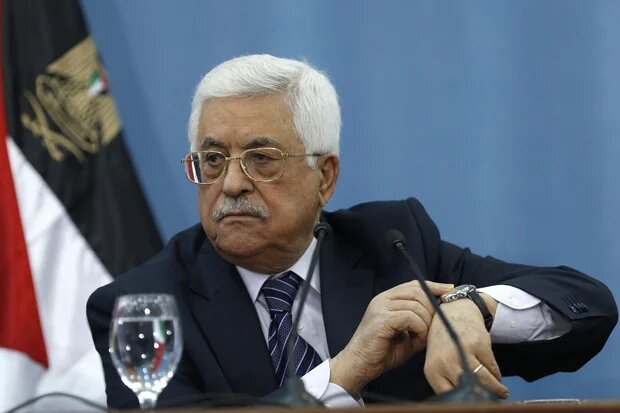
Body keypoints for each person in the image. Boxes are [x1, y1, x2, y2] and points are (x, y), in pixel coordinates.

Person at [87, 54, 617, 408]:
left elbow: (586, 305)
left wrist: (472, 305)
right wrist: (343, 373)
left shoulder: (393, 244)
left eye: (261, 158)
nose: (230, 184)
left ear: (325, 177)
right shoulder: (141, 305)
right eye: (213, 159)